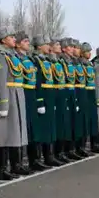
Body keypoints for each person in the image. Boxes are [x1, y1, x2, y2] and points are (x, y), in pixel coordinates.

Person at [0, 28, 30, 176]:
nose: (14, 39)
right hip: (8, 94)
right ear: (3, 40)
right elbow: (0, 82)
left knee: (17, 132)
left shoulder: (14, 56)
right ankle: (1, 169)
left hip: (17, 93)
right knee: (3, 135)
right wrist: (3, 103)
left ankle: (17, 164)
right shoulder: (1, 57)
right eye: (11, 37)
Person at [19, 32, 49, 170]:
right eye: (24, 41)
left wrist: (39, 100)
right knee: (24, 130)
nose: (27, 44)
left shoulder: (30, 60)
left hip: (32, 95)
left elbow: (37, 82)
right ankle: (20, 163)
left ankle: (35, 159)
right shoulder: (20, 59)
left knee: (34, 129)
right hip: (23, 94)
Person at [32, 37, 61, 166]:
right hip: (42, 96)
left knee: (50, 128)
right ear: (39, 46)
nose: (48, 46)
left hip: (49, 96)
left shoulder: (47, 61)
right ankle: (37, 158)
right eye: (45, 44)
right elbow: (37, 82)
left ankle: (49, 155)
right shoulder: (35, 61)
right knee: (41, 130)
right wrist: (40, 101)